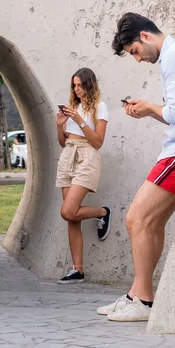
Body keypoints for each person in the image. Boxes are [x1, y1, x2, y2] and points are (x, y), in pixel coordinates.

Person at [97, 12, 175, 321]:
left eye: (135, 51)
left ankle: (144, 301)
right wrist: (148, 111)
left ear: (145, 36)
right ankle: (138, 294)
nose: (137, 59)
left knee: (136, 219)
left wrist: (149, 107)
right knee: (151, 223)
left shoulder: (174, 57)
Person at [55, 68, 111, 284]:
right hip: (68, 155)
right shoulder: (72, 108)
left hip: (86, 157)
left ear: (89, 84)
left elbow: (98, 142)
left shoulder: (100, 107)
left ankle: (102, 212)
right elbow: (62, 142)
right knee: (72, 217)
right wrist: (59, 126)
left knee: (68, 211)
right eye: (74, 85)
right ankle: (77, 270)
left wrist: (79, 120)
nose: (76, 89)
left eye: (80, 85)